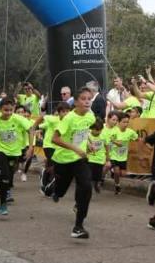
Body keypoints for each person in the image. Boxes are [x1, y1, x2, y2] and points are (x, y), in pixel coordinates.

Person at [47, 87, 96, 239]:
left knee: (86, 187)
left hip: (79, 159)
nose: (87, 101)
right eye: (83, 98)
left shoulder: (90, 116)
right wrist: (75, 148)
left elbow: (85, 131)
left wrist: (89, 143)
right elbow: (55, 139)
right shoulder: (68, 118)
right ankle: (53, 187)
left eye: (89, 98)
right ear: (75, 102)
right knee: (60, 191)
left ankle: (78, 226)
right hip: (63, 159)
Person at [0, 97, 34, 216]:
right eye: (6, 110)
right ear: (0, 109)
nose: (9, 113)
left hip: (15, 152)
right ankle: (2, 204)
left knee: (8, 178)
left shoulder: (18, 119)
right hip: (0, 151)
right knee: (5, 176)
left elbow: (31, 129)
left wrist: (31, 147)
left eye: (11, 110)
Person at [35, 102, 71, 195]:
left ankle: (45, 175)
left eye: (68, 111)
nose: (66, 113)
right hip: (49, 145)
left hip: (59, 148)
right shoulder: (53, 119)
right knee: (54, 167)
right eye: (63, 111)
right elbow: (42, 117)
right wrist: (34, 126)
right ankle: (48, 186)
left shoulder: (69, 122)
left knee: (54, 167)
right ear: (58, 112)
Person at [108, 112, 138, 195]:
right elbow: (109, 139)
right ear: (119, 122)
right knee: (117, 172)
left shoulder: (130, 132)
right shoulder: (114, 131)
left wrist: (144, 142)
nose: (126, 124)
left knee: (123, 174)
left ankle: (113, 173)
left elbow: (137, 138)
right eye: (124, 122)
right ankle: (117, 185)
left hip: (123, 157)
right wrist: (116, 142)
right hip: (114, 155)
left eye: (127, 122)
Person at [87, 118, 110, 194]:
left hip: (100, 160)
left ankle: (97, 184)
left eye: (100, 130)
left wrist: (107, 159)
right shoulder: (87, 135)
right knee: (88, 176)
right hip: (89, 158)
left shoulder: (104, 135)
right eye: (96, 130)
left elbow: (107, 147)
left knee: (97, 177)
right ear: (92, 128)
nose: (98, 132)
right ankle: (88, 191)